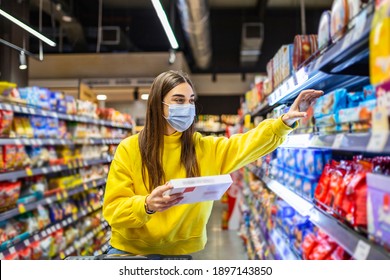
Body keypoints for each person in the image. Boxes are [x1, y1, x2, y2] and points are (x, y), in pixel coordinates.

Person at [102, 70, 323, 256]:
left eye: (190, 101)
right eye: (178, 100)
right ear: (157, 105)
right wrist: (146, 205)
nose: (187, 107)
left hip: (180, 254)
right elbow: (112, 211)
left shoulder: (204, 148)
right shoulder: (130, 149)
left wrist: (284, 121)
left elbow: (247, 143)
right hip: (130, 253)